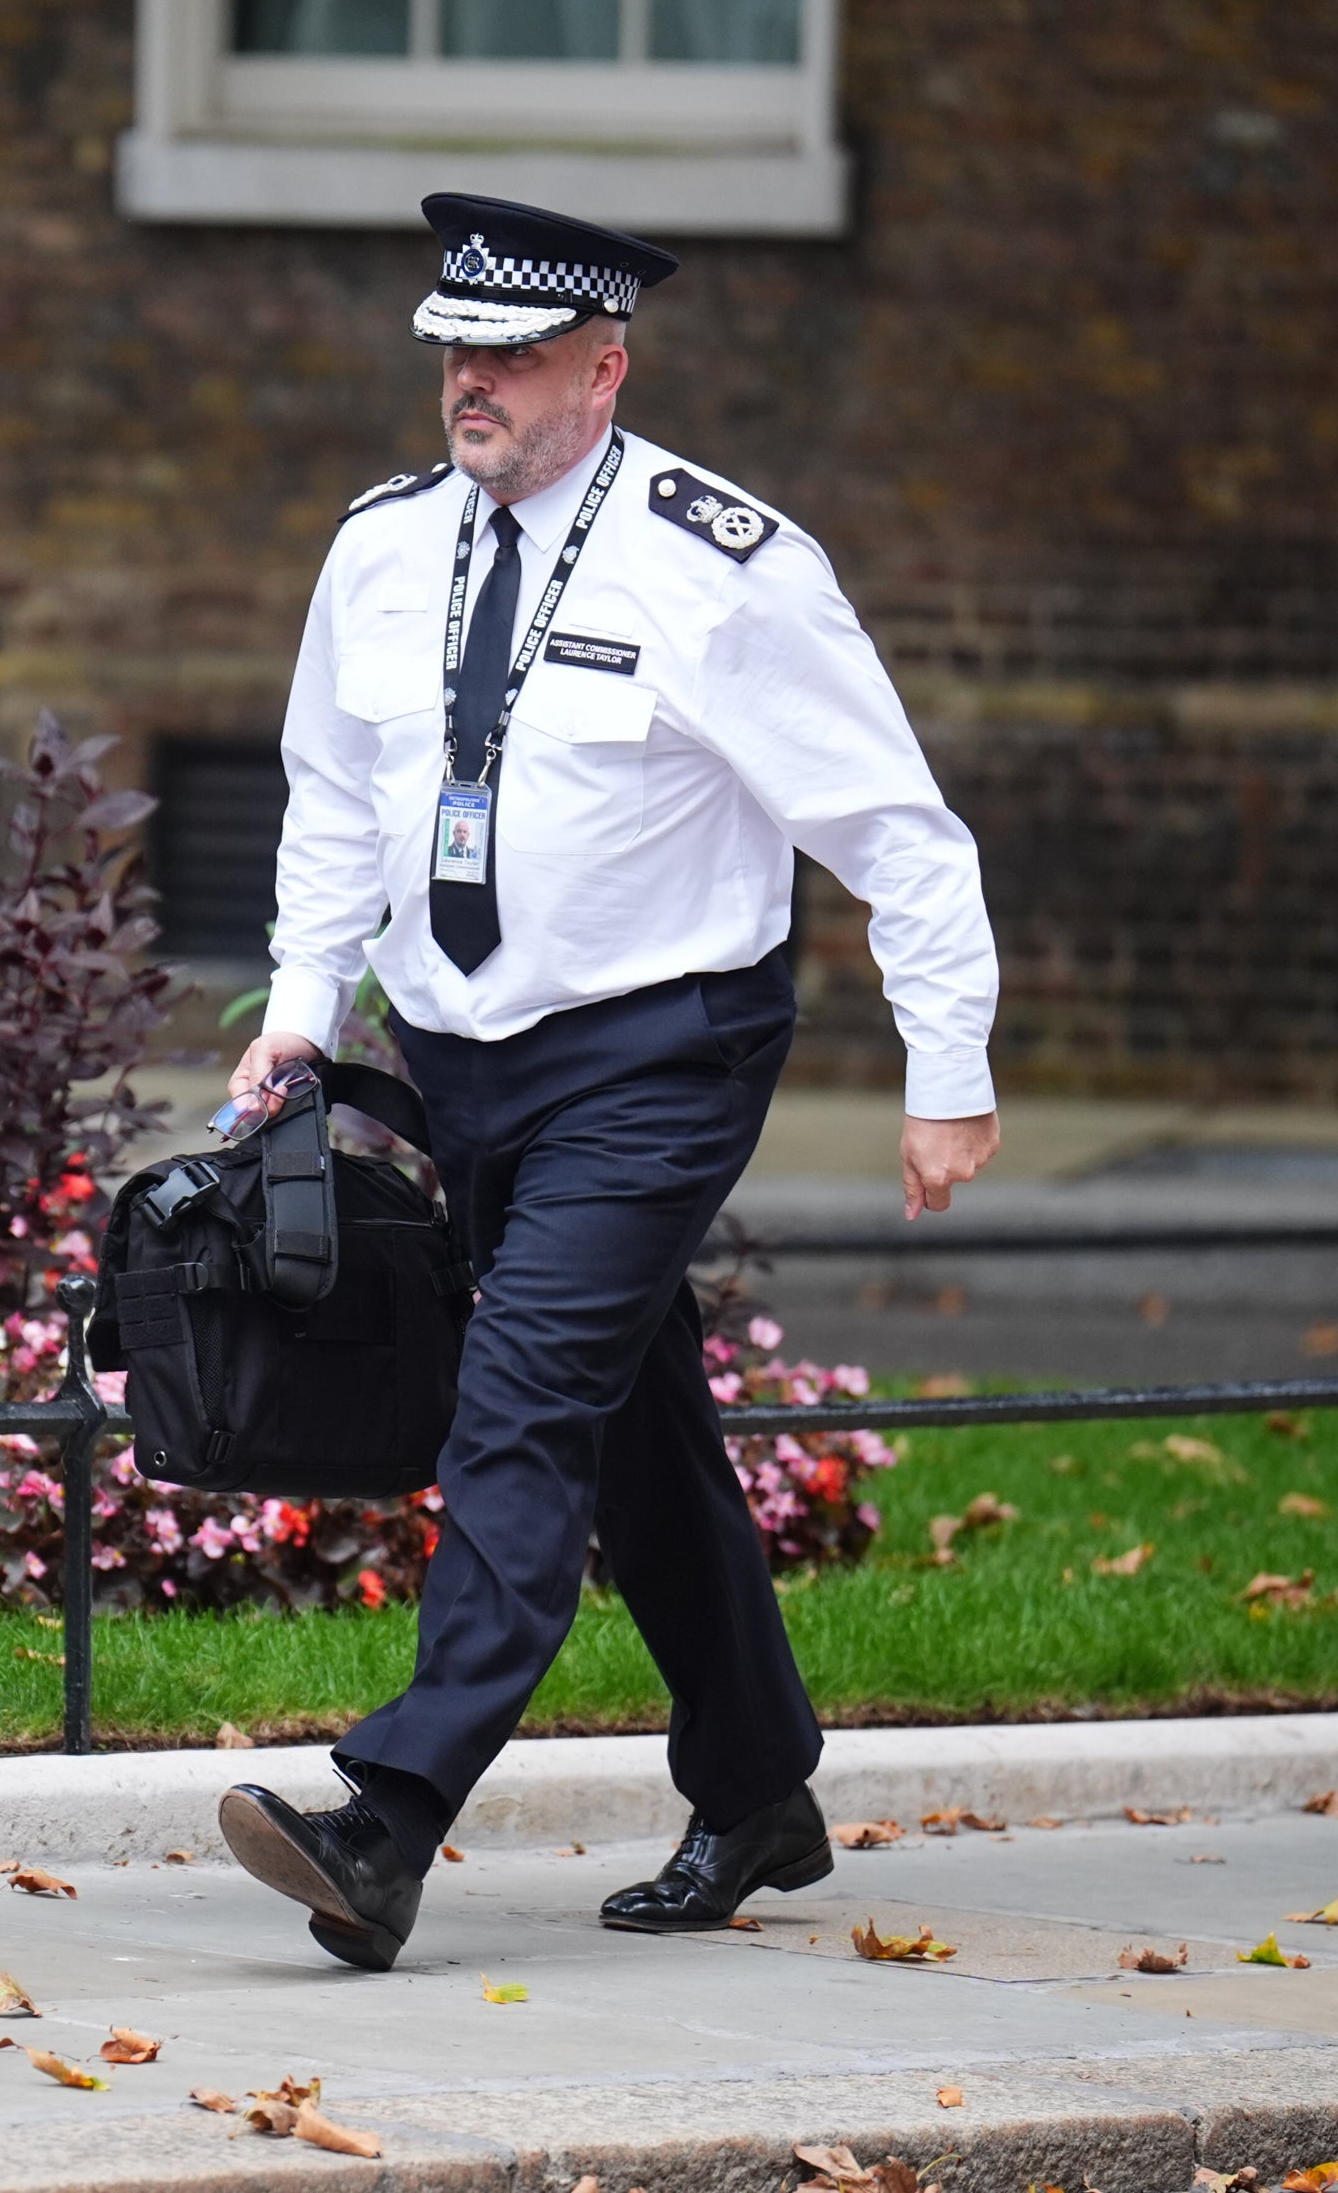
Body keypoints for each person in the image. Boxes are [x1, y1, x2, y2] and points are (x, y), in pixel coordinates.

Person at [214, 193, 1002, 1972]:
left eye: (507, 355)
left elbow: (895, 827)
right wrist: (297, 1007)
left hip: (658, 1050)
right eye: (450, 350)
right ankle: (760, 1784)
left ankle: (391, 1818)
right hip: (457, 1049)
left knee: (519, 1398)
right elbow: (332, 797)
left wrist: (946, 1065)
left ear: (606, 363)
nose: (467, 383)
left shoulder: (721, 566)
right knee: (636, 1430)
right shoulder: (382, 547)